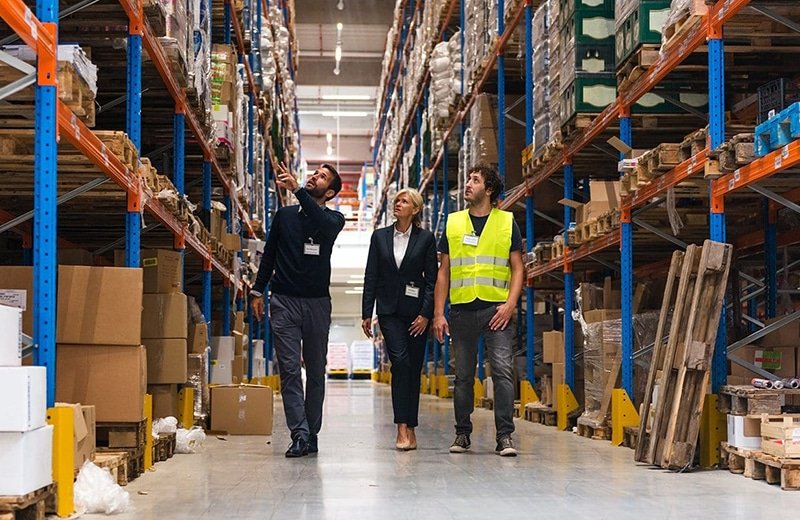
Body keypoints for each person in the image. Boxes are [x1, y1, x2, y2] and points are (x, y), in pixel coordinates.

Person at [250, 162, 344, 458]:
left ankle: (312, 431)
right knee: (290, 370)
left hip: (317, 303)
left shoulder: (333, 219)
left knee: (316, 371)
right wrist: (256, 290)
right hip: (284, 301)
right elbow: (269, 255)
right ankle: (299, 433)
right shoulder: (285, 216)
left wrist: (297, 190)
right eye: (315, 172)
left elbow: (319, 222)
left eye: (322, 177)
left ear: (329, 192)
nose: (315, 176)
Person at [432, 164, 524, 457]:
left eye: (475, 180)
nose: (468, 184)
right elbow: (444, 272)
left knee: (502, 373)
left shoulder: (507, 222)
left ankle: (505, 437)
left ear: (490, 190)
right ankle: (462, 434)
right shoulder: (454, 223)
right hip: (461, 310)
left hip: (496, 310)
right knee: (462, 376)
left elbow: (518, 267)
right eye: (468, 179)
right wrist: (438, 312)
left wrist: (510, 304)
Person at [361, 188, 437, 451]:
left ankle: (411, 425)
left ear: (415, 209)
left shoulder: (426, 239)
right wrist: (366, 312)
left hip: (416, 314)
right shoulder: (380, 237)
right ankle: (401, 427)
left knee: (413, 369)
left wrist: (426, 314)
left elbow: (432, 281)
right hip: (389, 312)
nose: (397, 204)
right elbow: (371, 275)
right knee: (400, 363)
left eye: (404, 201)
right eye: (396, 201)